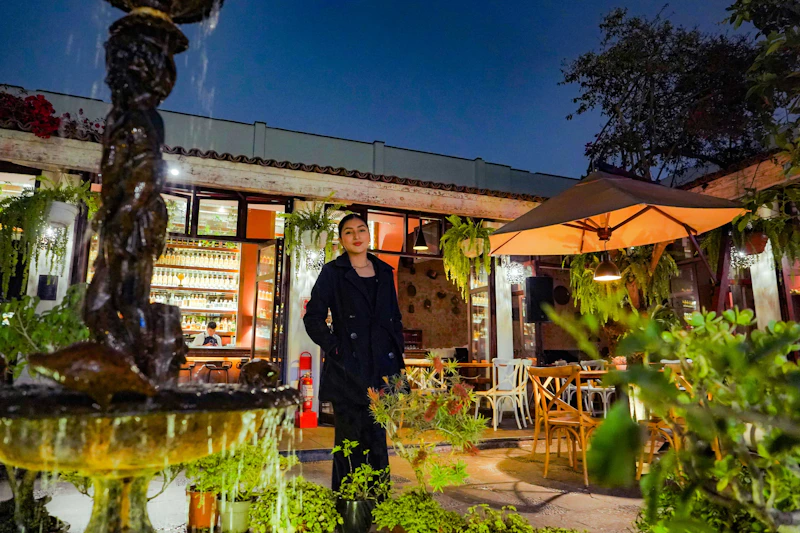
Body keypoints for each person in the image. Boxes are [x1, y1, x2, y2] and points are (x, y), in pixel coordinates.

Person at [303, 213, 405, 492]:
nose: (356, 236)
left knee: (377, 439)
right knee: (349, 441)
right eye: (349, 232)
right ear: (341, 240)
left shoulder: (385, 272)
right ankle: (349, 507)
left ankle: (378, 503)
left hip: (382, 368)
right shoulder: (332, 272)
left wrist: (399, 364)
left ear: (369, 235)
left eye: (361, 230)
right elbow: (313, 317)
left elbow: (394, 319)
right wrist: (336, 347)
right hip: (348, 368)